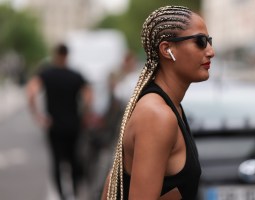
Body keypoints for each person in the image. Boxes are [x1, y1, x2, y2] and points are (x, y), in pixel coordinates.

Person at [101, 5, 215, 200]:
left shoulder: (170, 106)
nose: (211, 51)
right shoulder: (157, 116)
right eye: (200, 41)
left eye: (209, 41)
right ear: (166, 49)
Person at [26, 43, 93, 200]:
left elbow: (31, 92)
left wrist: (38, 115)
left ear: (55, 54)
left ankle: (62, 194)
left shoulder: (46, 74)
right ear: (67, 55)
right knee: (74, 159)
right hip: (74, 124)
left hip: (54, 125)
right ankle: (75, 191)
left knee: (57, 160)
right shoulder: (76, 75)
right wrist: (85, 115)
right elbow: (89, 97)